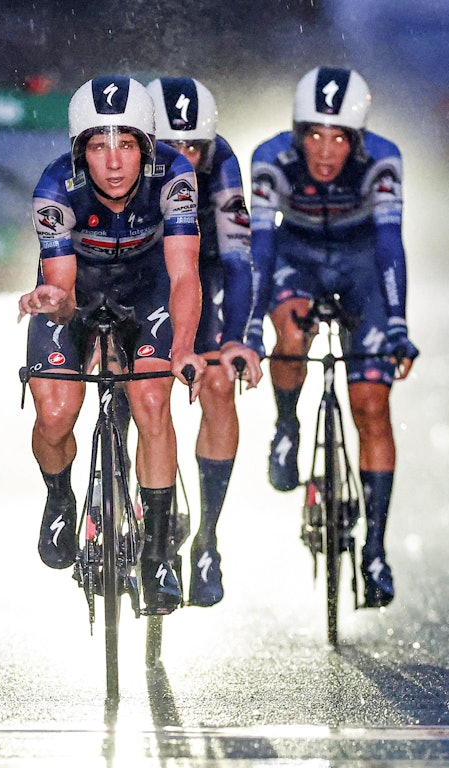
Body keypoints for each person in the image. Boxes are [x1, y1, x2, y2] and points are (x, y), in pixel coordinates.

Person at [18, 75, 207, 616]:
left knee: (151, 399)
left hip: (148, 291)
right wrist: (51, 302)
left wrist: (184, 348)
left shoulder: (175, 174)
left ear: (147, 147)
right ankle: (60, 497)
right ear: (80, 152)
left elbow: (184, 274)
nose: (115, 162)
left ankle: (157, 555)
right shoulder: (55, 185)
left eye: (126, 144)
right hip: (76, 293)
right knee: (56, 413)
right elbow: (62, 287)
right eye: (99, 147)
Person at [247, 67, 417, 608]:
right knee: (290, 329)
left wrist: (398, 324)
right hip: (294, 255)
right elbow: (260, 249)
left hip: (361, 263)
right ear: (297, 133)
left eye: (339, 138)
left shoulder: (383, 160)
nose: (325, 151)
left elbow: (390, 244)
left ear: (358, 139)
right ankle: (287, 424)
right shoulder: (271, 158)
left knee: (371, 405)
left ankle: (376, 549)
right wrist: (252, 324)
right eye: (314, 135)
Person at [145, 76, 263, 607]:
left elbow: (239, 260)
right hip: (143, 268)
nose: (184, 158)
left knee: (217, 384)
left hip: (206, 268)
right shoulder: (123, 156)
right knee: (135, 384)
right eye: (171, 145)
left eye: (195, 146)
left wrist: (235, 338)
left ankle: (207, 538)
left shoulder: (225, 164)